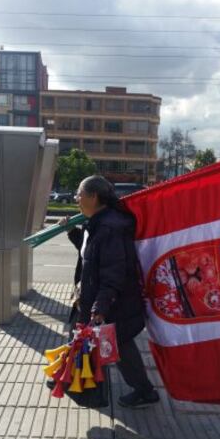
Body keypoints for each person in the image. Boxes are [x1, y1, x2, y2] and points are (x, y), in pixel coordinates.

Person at [56, 175, 159, 409]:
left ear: (93, 197)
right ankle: (66, 380)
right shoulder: (99, 222)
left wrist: (100, 307)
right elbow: (91, 254)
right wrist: (73, 232)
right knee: (93, 340)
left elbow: (114, 271)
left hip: (114, 302)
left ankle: (143, 391)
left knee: (115, 345)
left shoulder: (110, 227)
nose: (76, 199)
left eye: (79, 194)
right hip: (100, 299)